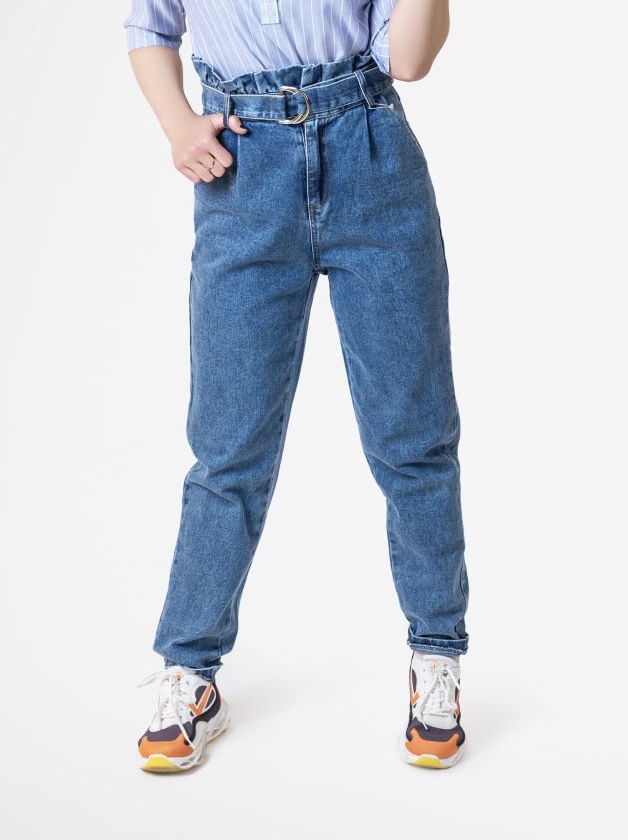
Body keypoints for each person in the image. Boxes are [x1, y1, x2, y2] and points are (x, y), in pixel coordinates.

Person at [124, 0, 469, 772]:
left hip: (370, 154)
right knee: (228, 449)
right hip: (242, 173)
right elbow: (151, 27)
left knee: (413, 438)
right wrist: (178, 125)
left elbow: (408, 60)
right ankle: (191, 673)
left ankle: (437, 656)